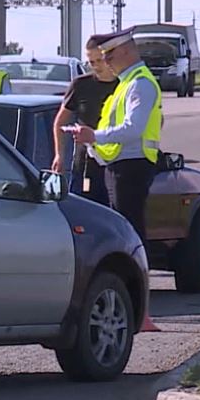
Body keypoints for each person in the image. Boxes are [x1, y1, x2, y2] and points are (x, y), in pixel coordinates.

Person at [68, 27, 163, 241]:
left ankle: (136, 272)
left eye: (109, 56)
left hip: (132, 166)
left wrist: (94, 137)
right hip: (119, 165)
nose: (106, 61)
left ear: (126, 52)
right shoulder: (126, 83)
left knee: (130, 230)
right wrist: (94, 146)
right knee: (123, 229)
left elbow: (133, 128)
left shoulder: (140, 83)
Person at [51, 38, 117, 205]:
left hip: (118, 164)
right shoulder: (81, 85)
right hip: (86, 164)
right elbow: (60, 123)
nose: (96, 66)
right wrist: (59, 155)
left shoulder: (125, 85)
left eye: (99, 60)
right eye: (91, 62)